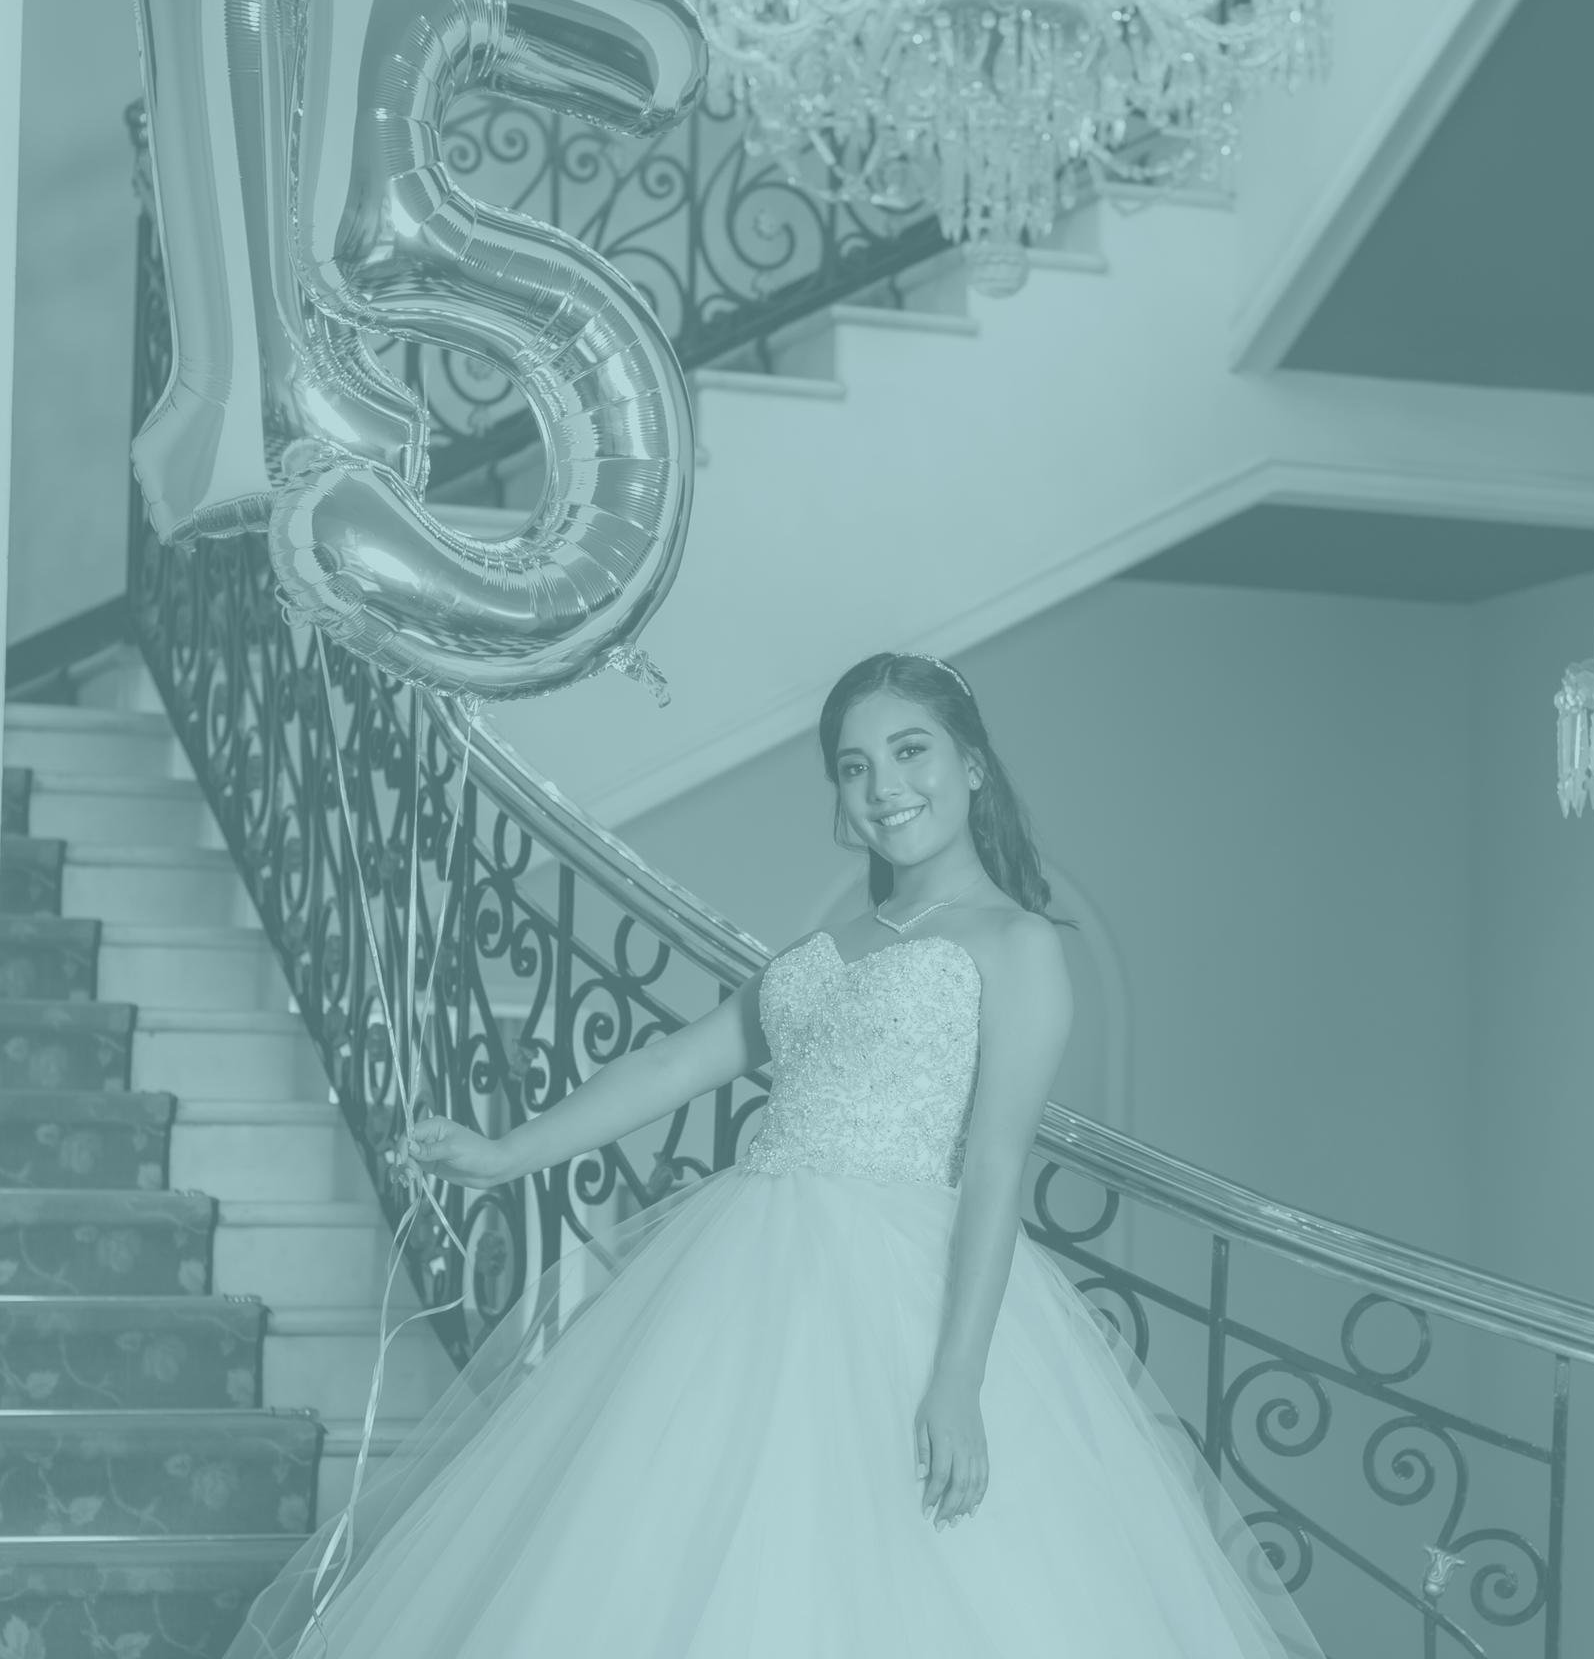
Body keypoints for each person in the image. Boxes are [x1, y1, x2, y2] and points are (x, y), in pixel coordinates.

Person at [230, 651, 1323, 1658]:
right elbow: (667, 1068)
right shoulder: (826, 950)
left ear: (972, 768)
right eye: (854, 766)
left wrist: (955, 1380)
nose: (883, 783)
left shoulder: (1017, 945)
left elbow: (995, 1168)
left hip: (897, 1291)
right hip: (744, 1267)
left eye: (910, 751)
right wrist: (507, 1152)